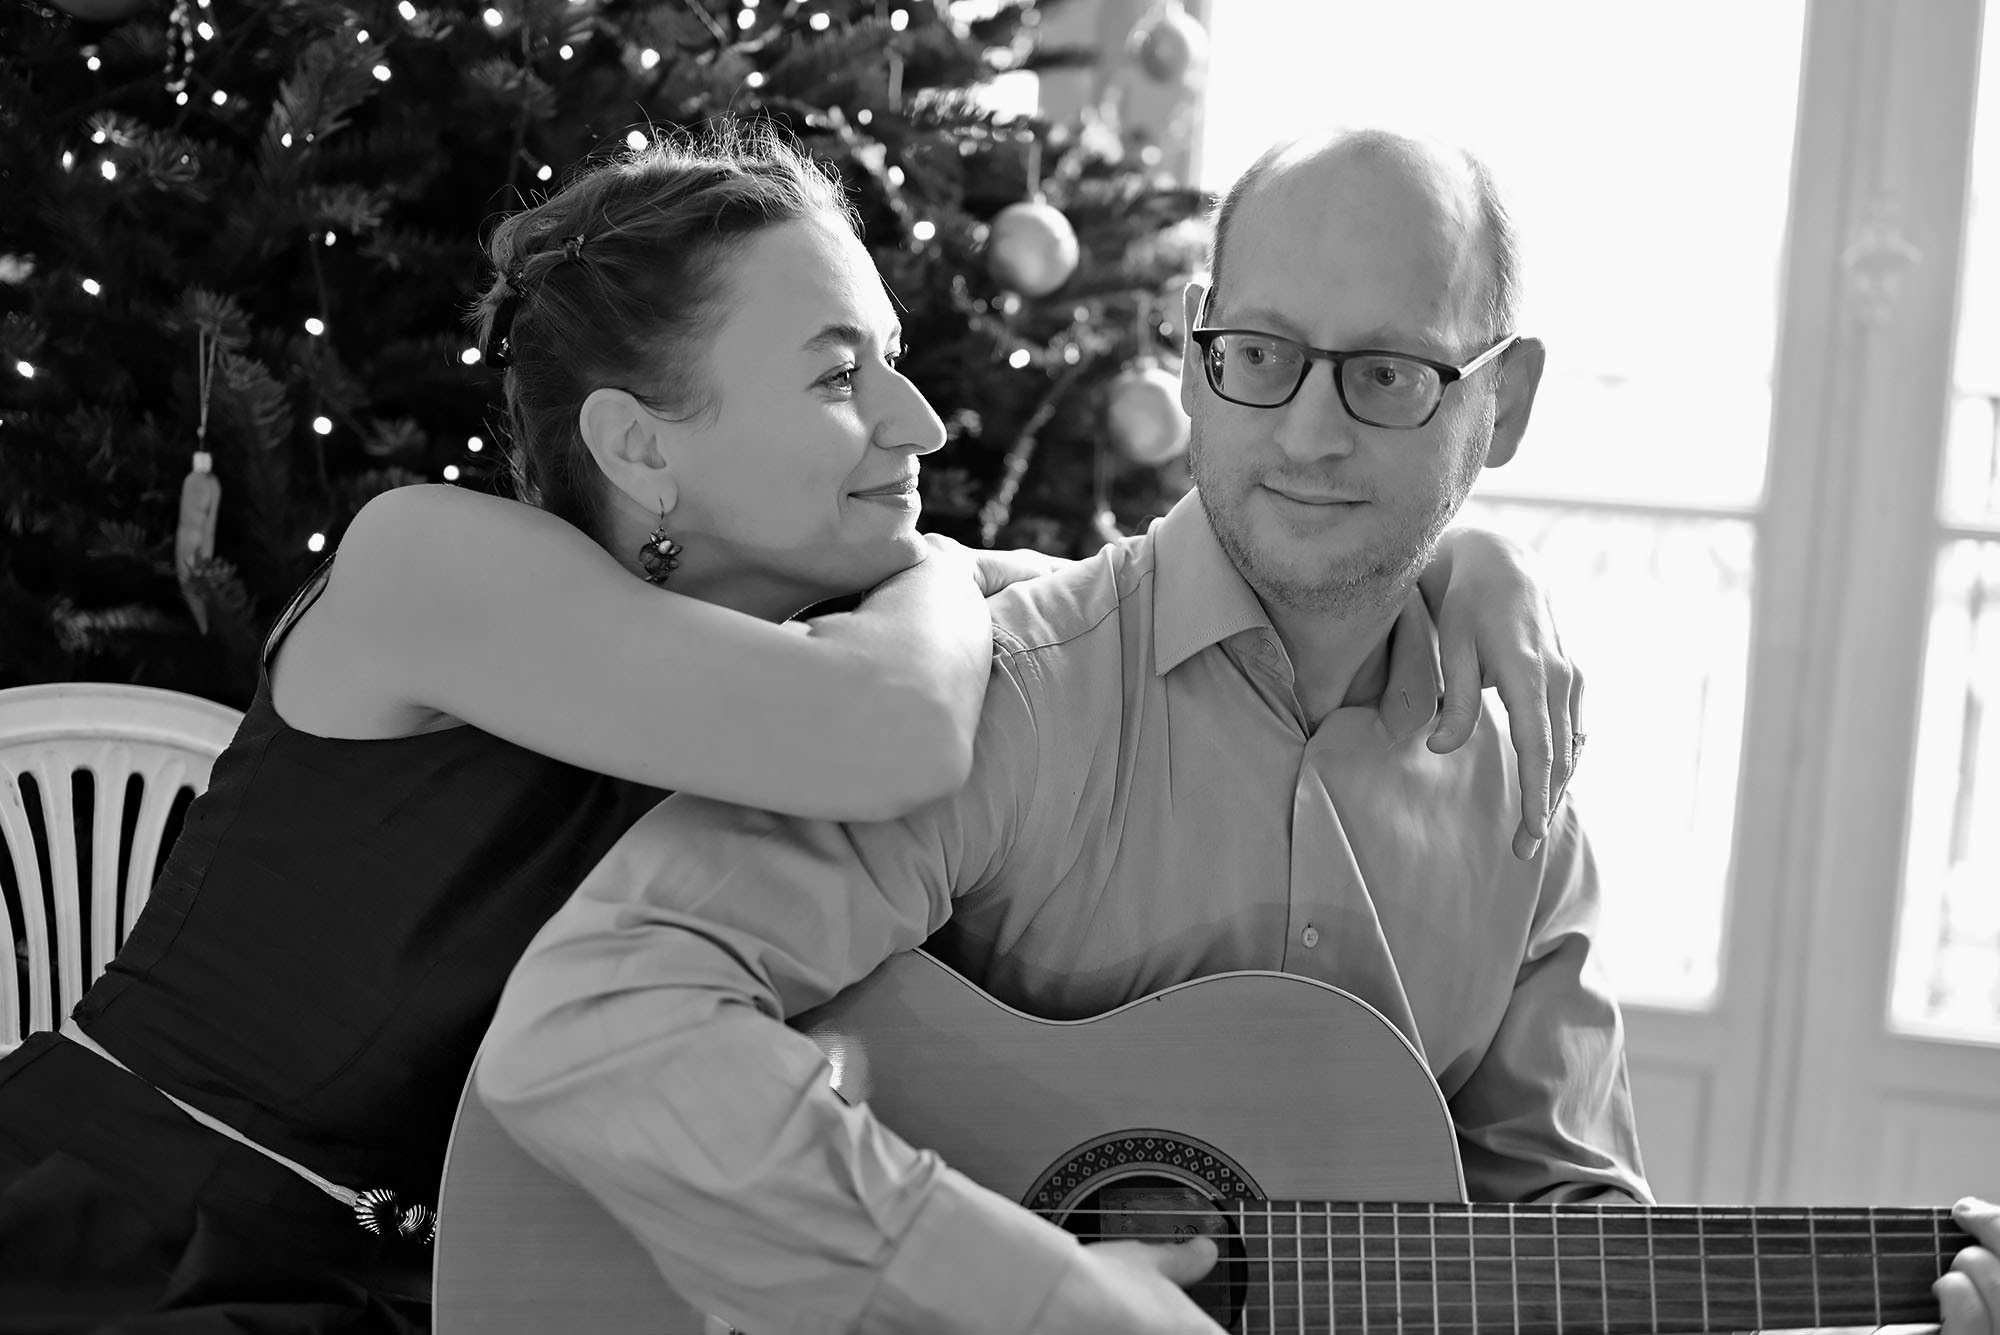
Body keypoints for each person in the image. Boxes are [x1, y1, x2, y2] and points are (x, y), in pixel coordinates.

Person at [0, 123, 1581, 1335]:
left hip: (410, 1287)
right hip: (118, 1241)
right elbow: (906, 715)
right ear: (638, 443)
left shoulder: (816, 633)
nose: (921, 421)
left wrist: (1449, 555)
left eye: (895, 360)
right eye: (843, 374)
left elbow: (1213, 579)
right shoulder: (430, 560)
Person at [474, 126, 1634, 1335]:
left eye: (1387, 375)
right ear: (1189, 354)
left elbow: (1574, 1229)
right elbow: (595, 1021)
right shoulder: (1011, 700)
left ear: (1500, 403)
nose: (1305, 434)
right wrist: (1038, 1293)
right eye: (1255, 353)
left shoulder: (1524, 811)